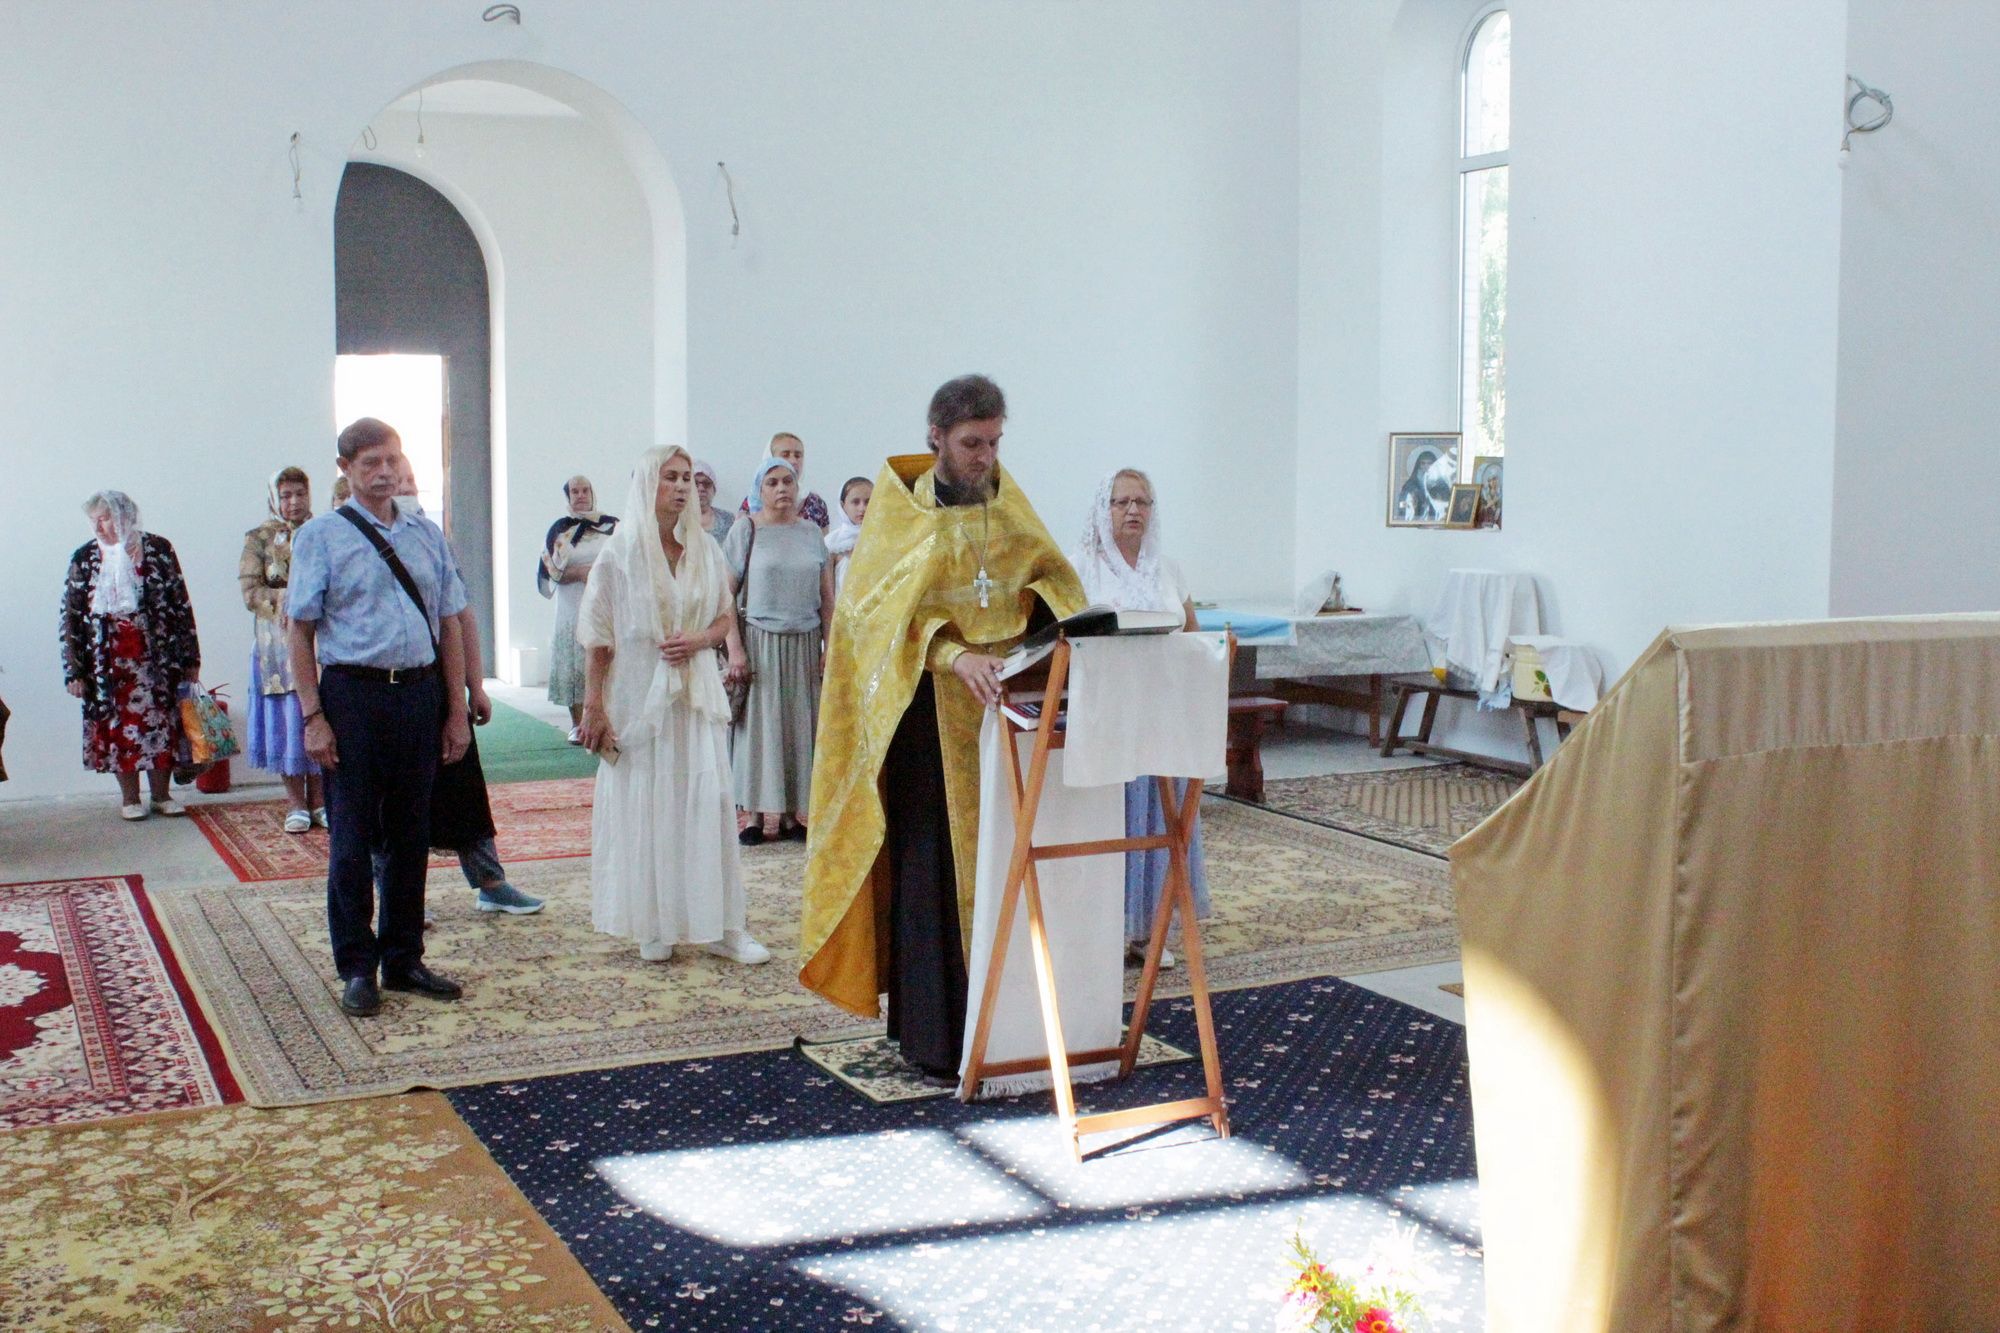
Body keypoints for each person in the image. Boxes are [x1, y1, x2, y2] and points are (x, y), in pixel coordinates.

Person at [801, 375, 1086, 1082]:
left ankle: (1014, 1018)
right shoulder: (901, 513)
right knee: (934, 870)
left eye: (993, 442)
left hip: (1008, 715)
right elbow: (870, 619)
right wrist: (954, 653)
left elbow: (1054, 584)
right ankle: (935, 1036)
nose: (985, 457)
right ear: (935, 438)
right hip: (930, 721)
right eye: (970, 443)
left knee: (1006, 858)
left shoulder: (1010, 507)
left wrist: (1039, 637)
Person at [287, 417, 472, 1018]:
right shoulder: (321, 536)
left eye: (392, 459)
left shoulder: (424, 533)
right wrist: (313, 714)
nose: (385, 471)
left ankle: (404, 956)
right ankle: (357, 967)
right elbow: (300, 628)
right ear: (346, 470)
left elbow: (448, 621)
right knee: (352, 838)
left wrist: (457, 710)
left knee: (411, 834)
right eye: (370, 463)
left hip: (418, 695)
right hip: (353, 697)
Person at [577, 446, 767, 965]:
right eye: (670, 477)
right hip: (639, 695)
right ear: (647, 484)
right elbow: (597, 636)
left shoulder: (705, 548)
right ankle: (653, 921)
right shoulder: (620, 553)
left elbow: (725, 618)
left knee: (706, 801)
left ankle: (723, 925)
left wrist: (700, 640)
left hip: (695, 696)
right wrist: (594, 707)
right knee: (649, 803)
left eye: (686, 478)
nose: (681, 487)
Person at [386, 455, 544, 919]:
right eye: (398, 482)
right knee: (391, 802)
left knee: (464, 788)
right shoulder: (347, 537)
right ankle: (395, 901)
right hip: (387, 688)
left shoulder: (433, 541)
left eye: (412, 480)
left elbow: (461, 616)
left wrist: (474, 687)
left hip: (440, 682)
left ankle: (490, 882)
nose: (406, 489)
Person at [1068, 467, 1210, 968]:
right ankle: (1101, 930)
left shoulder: (1168, 568)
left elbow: (1193, 634)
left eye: (1142, 502)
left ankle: (1148, 933)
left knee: (1159, 817)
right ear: (1102, 510)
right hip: (1109, 719)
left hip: (1162, 717)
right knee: (1114, 819)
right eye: (1121, 501)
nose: (1133, 511)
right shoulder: (1081, 569)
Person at [60, 491, 201, 821]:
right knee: (118, 728)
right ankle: (129, 798)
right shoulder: (85, 557)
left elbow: (181, 603)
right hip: (107, 664)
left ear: (124, 516)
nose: (98, 524)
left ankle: (162, 796)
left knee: (161, 723)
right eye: (93, 518)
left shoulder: (159, 549)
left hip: (157, 660)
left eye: (105, 516)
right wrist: (74, 671)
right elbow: (70, 615)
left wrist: (191, 656)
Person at [724, 458, 834, 844]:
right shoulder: (745, 531)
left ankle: (791, 815)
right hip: (759, 642)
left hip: (804, 643)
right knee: (760, 729)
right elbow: (726, 596)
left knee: (797, 729)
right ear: (760, 489)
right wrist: (735, 650)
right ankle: (754, 815)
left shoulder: (811, 534)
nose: (782, 488)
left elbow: (827, 598)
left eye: (788, 480)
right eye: (772, 482)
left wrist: (829, 646)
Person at [239, 467, 325, 832]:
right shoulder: (259, 537)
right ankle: (295, 804)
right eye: (286, 495)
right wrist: (290, 601)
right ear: (275, 497)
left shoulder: (325, 530)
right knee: (287, 721)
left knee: (322, 715)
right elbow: (250, 592)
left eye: (299, 494)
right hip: (276, 646)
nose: (293, 502)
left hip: (321, 642)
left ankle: (321, 802)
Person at [536, 475, 618, 743]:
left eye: (585, 490)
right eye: (575, 491)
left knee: (607, 659)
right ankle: (577, 723)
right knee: (575, 661)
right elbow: (551, 569)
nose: (581, 495)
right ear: (568, 497)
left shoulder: (612, 526)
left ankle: (607, 716)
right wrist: (582, 572)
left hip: (607, 605)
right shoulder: (560, 531)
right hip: (572, 607)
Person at [737, 433, 830, 529]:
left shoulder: (815, 503)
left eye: (798, 456)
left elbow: (822, 541)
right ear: (770, 458)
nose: (793, 461)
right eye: (785, 455)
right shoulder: (752, 502)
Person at [824, 476, 873, 597]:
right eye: (855, 502)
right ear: (843, 505)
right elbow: (827, 591)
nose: (862, 508)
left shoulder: (884, 539)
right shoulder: (832, 543)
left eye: (868, 502)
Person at [692, 459, 734, 546]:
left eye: (706, 484)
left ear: (714, 490)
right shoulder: (677, 520)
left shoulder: (728, 519)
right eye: (695, 483)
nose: (701, 488)